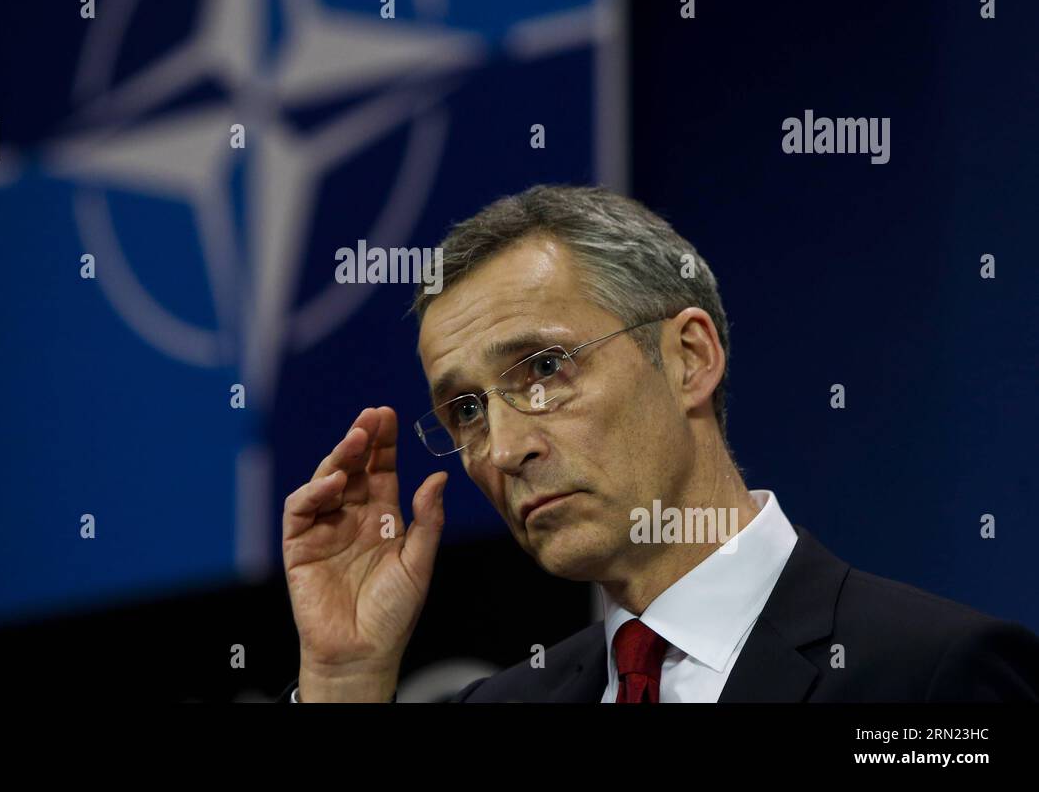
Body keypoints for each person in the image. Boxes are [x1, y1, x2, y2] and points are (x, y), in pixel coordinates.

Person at [277, 184, 1039, 702]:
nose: (505, 447)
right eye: (468, 410)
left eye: (544, 368)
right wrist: (344, 679)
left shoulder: (928, 676)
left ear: (689, 360)